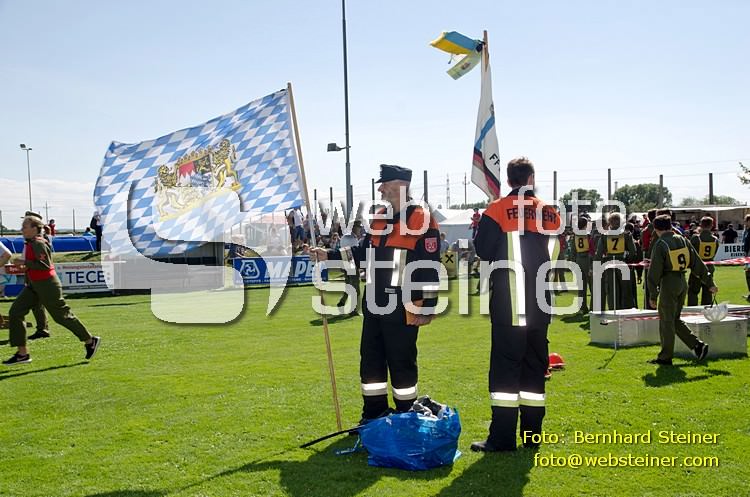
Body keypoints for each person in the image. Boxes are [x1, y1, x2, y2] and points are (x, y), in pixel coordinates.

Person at [309, 164, 441, 423]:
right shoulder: (379, 216)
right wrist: (329, 255)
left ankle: (406, 418)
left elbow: (430, 265)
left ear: (401, 185)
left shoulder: (422, 218)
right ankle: (373, 416)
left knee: (402, 364)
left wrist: (427, 306)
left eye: (385, 184)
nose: (380, 189)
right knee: (370, 363)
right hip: (374, 303)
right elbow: (362, 252)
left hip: (403, 306)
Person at [470, 157, 561, 452]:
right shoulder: (549, 211)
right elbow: (556, 252)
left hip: (510, 303)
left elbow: (483, 251)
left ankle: (502, 437)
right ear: (532, 178)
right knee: (535, 369)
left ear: (509, 180)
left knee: (505, 372)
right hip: (540, 303)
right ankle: (532, 436)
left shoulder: (497, 209)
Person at [3, 216, 101, 365]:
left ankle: (90, 340)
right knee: (15, 312)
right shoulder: (31, 243)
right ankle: (22, 354)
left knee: (61, 316)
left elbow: (44, 265)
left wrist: (24, 262)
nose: (22, 229)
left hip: (47, 285)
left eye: (25, 226)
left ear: (34, 229)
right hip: (35, 285)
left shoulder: (38, 243)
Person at [647, 215, 715, 365]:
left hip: (669, 282)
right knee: (675, 319)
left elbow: (654, 271)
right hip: (682, 281)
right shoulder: (683, 239)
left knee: (666, 321)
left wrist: (652, 294)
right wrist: (709, 282)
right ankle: (697, 346)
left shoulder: (661, 243)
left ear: (656, 229)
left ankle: (665, 357)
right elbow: (697, 262)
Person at [594, 212, 636, 311]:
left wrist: (596, 267)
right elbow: (633, 251)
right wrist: (628, 260)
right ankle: (626, 311)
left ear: (610, 222)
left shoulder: (604, 236)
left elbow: (599, 253)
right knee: (626, 289)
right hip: (623, 263)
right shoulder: (626, 234)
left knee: (612, 290)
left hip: (609, 264)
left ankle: (614, 311)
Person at [687, 216, 719, 306]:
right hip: (709, 267)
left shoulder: (696, 238)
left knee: (693, 293)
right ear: (711, 225)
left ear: (701, 225)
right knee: (708, 293)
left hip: (697, 269)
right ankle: (707, 312)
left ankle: (692, 311)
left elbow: (691, 253)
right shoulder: (715, 239)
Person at [570, 216, 592, 313]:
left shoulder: (575, 235)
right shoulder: (588, 235)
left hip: (579, 259)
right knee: (591, 284)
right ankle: (593, 307)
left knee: (581, 286)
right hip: (587, 259)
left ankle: (582, 307)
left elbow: (572, 251)